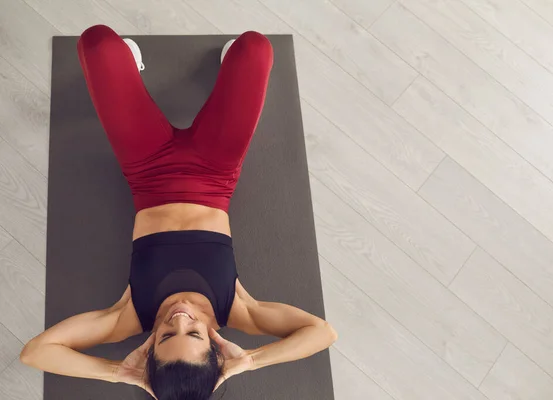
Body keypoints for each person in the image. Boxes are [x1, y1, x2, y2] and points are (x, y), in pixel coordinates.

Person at [19, 24, 338, 400]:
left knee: (98, 44)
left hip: (146, 168)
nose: (181, 317)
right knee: (254, 48)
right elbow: (323, 332)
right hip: (217, 171)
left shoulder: (129, 317)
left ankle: (128, 61)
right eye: (195, 332)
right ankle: (226, 67)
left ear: (147, 350)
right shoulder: (237, 310)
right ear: (217, 346)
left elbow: (35, 352)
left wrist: (120, 373)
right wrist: (250, 360)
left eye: (166, 335)